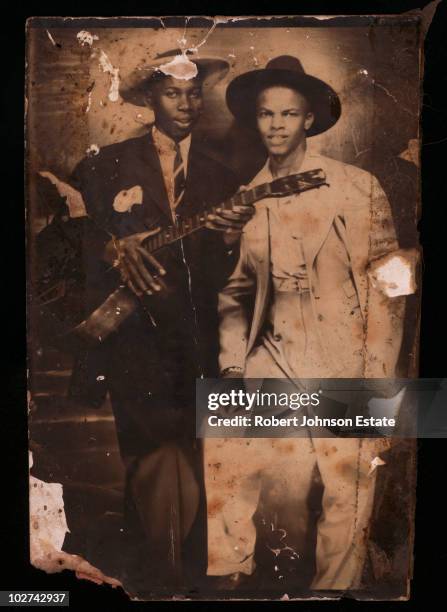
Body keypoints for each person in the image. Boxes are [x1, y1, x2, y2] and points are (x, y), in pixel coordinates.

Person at [204, 56, 406, 591]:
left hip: (345, 351)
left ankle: (331, 589)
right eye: (266, 114)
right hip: (272, 352)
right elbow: (235, 292)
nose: (276, 125)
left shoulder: (357, 187)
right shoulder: (245, 201)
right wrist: (232, 364)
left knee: (348, 482)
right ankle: (226, 578)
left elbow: (394, 283)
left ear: (309, 120)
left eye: (288, 114)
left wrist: (378, 371)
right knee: (226, 451)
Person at [70, 49, 254, 592]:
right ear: (149, 98)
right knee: (147, 451)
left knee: (199, 450)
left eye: (194, 93)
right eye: (173, 93)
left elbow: (231, 270)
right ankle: (152, 572)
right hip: (134, 337)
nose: (186, 104)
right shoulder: (106, 164)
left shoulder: (225, 174)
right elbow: (71, 242)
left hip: (195, 339)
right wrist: (113, 249)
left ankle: (192, 572)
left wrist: (226, 237)